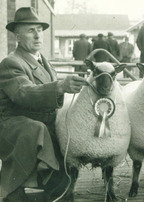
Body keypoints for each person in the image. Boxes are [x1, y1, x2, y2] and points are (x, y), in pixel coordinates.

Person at [0, 7, 88, 201]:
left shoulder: (44, 62)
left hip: (45, 130)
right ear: (18, 36)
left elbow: (52, 98)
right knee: (22, 192)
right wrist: (59, 87)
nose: (38, 34)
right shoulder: (11, 62)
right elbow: (23, 93)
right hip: (18, 131)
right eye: (31, 30)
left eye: (39, 29)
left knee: (65, 183)